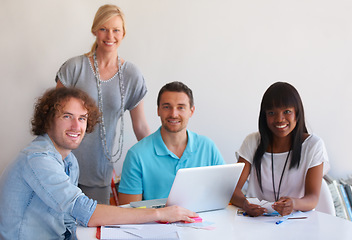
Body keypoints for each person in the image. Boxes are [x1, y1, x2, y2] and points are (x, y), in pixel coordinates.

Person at [0, 87, 197, 240]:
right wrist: (160, 213)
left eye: (82, 118)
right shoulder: (38, 159)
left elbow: (68, 218)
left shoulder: (69, 160)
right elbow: (83, 210)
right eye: (67, 116)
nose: (77, 126)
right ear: (48, 120)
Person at [55, 4, 150, 204]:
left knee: (94, 231)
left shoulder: (131, 74)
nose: (110, 36)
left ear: (123, 33)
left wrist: (159, 156)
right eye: (103, 29)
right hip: (61, 166)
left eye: (116, 30)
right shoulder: (74, 67)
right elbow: (53, 117)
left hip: (99, 172)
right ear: (94, 30)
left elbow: (140, 126)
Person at [230, 82, 330, 217]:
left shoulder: (313, 145)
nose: (279, 119)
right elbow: (231, 190)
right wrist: (245, 203)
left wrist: (294, 203)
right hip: (256, 222)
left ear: (297, 113)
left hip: (297, 222)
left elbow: (312, 198)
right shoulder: (252, 142)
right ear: (264, 116)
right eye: (271, 113)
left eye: (287, 111)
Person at [118, 81, 225, 204]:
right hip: (154, 223)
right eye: (167, 107)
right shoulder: (136, 155)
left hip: (204, 221)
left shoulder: (208, 147)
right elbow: (128, 213)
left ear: (191, 111)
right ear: (158, 110)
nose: (174, 114)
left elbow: (223, 196)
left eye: (181, 107)